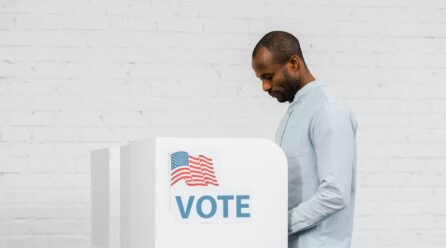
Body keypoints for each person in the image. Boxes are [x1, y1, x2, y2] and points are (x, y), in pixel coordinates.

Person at [251, 31, 358, 248]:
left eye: (268, 77)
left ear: (293, 63)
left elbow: (335, 194)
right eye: (261, 79)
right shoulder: (292, 115)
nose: (265, 87)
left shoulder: (328, 111)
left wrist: (277, 224)